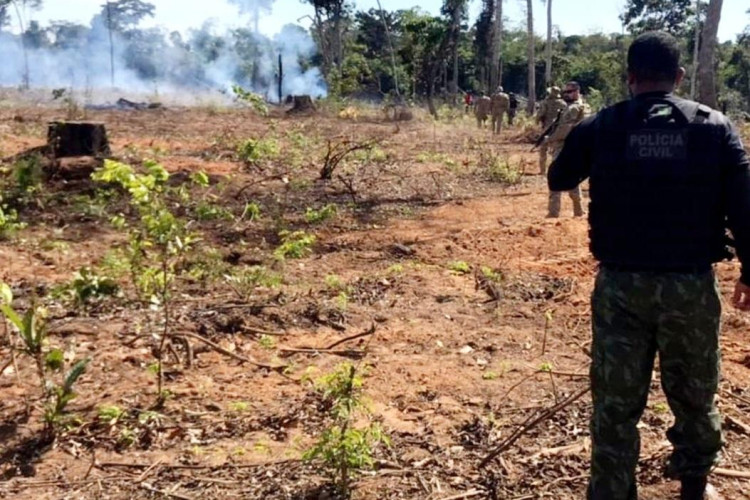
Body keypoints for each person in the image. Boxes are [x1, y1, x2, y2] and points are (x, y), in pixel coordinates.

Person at [548, 31, 750, 500]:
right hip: (691, 288)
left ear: (630, 77)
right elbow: (743, 208)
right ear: (678, 77)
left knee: (616, 405)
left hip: (621, 288)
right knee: (696, 398)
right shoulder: (714, 126)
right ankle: (694, 489)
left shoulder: (603, 125)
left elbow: (559, 177)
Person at [546, 81, 587, 217]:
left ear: (576, 91)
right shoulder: (580, 106)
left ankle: (553, 213)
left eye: (569, 92)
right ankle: (578, 210)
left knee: (556, 176)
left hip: (564, 146)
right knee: (572, 178)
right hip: (574, 147)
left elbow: (565, 129)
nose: (566, 95)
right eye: (565, 92)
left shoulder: (574, 108)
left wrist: (550, 139)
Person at [536, 86, 567, 174]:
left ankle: (542, 170)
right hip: (558, 128)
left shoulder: (545, 102)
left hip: (547, 127)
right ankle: (557, 169)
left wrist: (537, 120)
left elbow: (541, 113)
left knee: (543, 149)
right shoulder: (563, 103)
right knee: (557, 149)